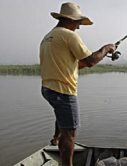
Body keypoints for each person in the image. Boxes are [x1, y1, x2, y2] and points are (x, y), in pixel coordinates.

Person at [40, 2, 116, 166]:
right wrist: (106, 48)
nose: (79, 27)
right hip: (63, 91)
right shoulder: (68, 35)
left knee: (62, 117)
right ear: (69, 19)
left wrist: (94, 58)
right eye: (78, 22)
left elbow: (75, 64)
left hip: (48, 89)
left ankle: (55, 137)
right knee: (70, 133)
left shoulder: (48, 36)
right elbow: (89, 61)